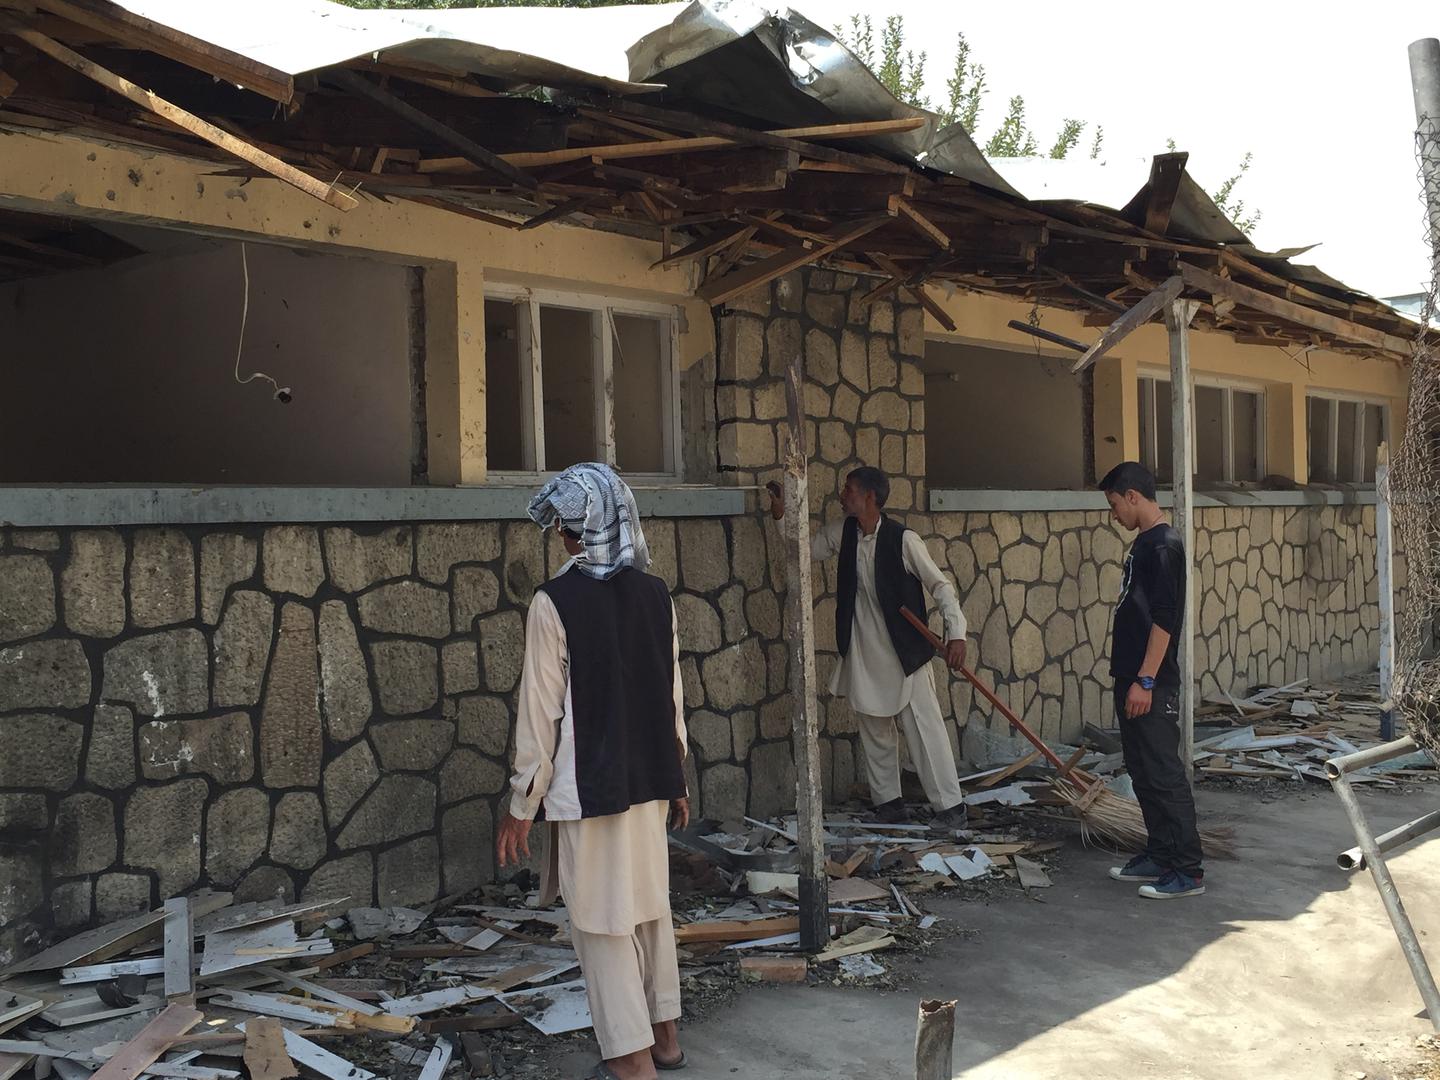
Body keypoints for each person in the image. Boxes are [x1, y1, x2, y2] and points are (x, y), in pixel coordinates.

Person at [496, 463, 690, 1080]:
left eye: (568, 525)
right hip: (649, 780)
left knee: (602, 920)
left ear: (586, 528)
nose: (561, 536)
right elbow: (672, 697)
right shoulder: (655, 593)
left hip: (590, 787)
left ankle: (632, 1061)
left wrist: (522, 800)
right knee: (648, 907)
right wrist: (676, 778)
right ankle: (664, 1040)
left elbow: (540, 711)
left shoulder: (554, 603)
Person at [770, 466, 970, 827]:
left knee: (925, 730)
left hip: (905, 651)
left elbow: (940, 586)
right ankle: (888, 803)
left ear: (870, 498)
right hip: (864, 648)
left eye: (849, 490)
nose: (842, 495)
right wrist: (783, 515)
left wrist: (956, 633)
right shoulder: (843, 533)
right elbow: (805, 549)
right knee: (875, 730)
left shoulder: (904, 540)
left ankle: (951, 807)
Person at [1098, 461, 1205, 899]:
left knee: (1163, 773)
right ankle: (1159, 853)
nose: (1114, 515)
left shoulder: (1163, 545)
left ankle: (1188, 870)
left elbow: (1165, 619)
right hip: (1130, 678)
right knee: (1142, 770)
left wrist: (1145, 679)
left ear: (1133, 497)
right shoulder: (1144, 544)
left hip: (1150, 683)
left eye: (1114, 505)